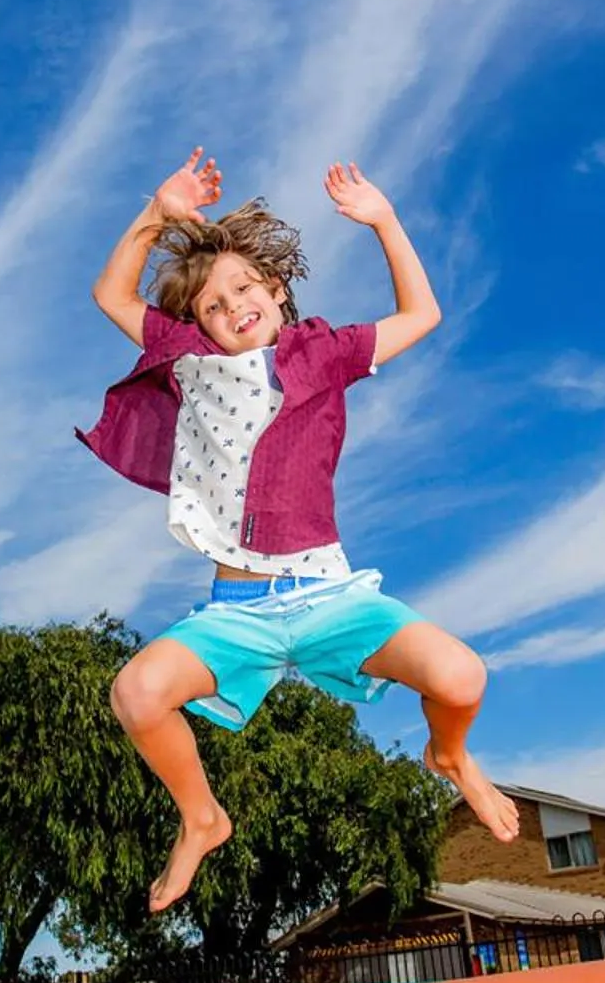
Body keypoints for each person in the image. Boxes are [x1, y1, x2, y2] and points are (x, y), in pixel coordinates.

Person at [78, 147, 523, 913]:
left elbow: (421, 315)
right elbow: (110, 294)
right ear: (197, 326)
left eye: (243, 289)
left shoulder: (326, 352)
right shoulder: (188, 358)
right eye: (211, 307)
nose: (231, 309)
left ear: (276, 290)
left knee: (461, 678)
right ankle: (202, 817)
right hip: (236, 613)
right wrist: (156, 212)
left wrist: (384, 221)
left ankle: (449, 756)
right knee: (137, 694)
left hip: (329, 598)